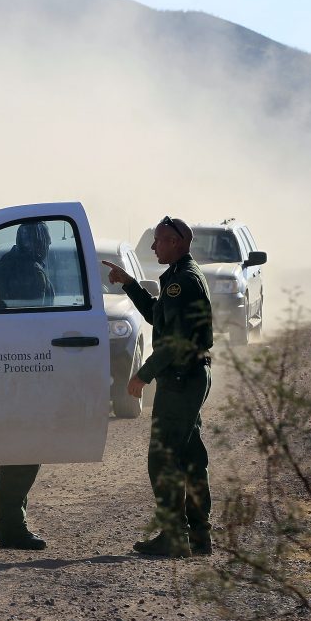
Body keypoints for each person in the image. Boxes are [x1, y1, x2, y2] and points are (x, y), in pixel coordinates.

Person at [103, 216, 214, 558]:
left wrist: (143, 374)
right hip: (189, 377)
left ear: (178, 243)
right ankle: (197, 535)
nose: (153, 247)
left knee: (163, 459)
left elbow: (175, 341)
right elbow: (156, 316)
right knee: (190, 455)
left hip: (181, 380)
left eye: (160, 241)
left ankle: (174, 535)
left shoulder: (184, 281)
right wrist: (129, 283)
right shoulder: (180, 278)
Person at [0, 221, 54, 550]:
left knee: (18, 447)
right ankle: (11, 523)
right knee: (26, 446)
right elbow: (37, 326)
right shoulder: (33, 274)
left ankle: (9, 520)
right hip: (26, 370)